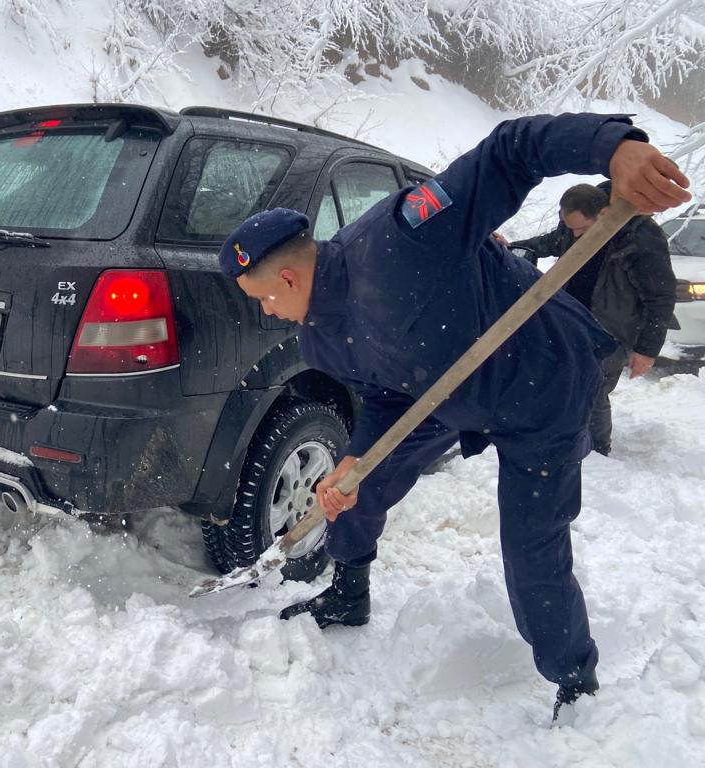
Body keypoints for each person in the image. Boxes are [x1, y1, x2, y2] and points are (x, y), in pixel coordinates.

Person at [216, 113, 691, 720]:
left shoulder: (398, 239)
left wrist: (613, 148)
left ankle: (574, 681)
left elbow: (509, 152)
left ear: (286, 275)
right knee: (353, 490)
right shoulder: (320, 339)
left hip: (540, 385)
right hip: (439, 393)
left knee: (531, 549)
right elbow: (387, 397)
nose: (270, 312)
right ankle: (348, 592)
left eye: (264, 299)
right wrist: (356, 463)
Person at [511, 183, 677, 455]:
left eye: (578, 228)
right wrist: (517, 246)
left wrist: (646, 350)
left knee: (593, 387)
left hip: (612, 329)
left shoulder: (640, 239)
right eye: (569, 227)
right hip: (571, 319)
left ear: (602, 214)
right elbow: (552, 241)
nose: (573, 235)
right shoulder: (576, 224)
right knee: (562, 378)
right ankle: (562, 430)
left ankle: (598, 451)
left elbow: (661, 296)